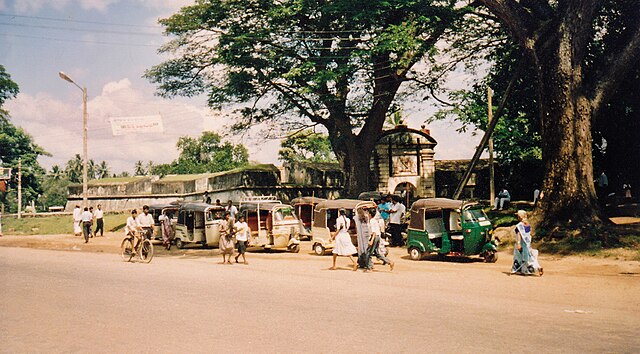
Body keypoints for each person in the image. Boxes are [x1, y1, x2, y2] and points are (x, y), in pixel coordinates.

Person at [511, 210, 543, 276]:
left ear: (519, 217)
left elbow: (519, 234)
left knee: (518, 256)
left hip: (522, 243)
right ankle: (537, 267)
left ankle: (519, 269)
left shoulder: (519, 225)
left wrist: (519, 243)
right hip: (527, 243)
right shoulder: (527, 224)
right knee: (530, 257)